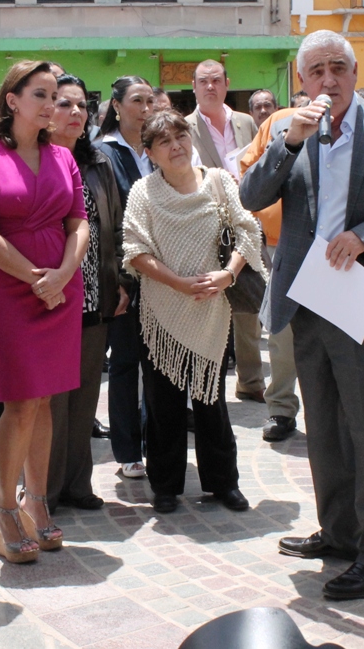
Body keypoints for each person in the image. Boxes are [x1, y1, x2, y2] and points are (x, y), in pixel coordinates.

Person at [241, 30, 364, 600]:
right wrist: (288, 143)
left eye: (338, 68)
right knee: (326, 427)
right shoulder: (288, 130)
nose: (328, 80)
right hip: (308, 298)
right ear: (301, 79)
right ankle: (339, 532)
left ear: (355, 72)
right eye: (317, 71)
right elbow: (250, 198)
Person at [0, 60, 89, 561]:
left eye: (54, 96)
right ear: (12, 100)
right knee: (19, 402)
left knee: (45, 400)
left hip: (61, 288)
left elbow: (79, 223)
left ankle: (37, 501)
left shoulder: (63, 157)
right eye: (41, 94)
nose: (51, 104)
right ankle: (4, 508)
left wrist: (62, 274)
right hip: (6, 290)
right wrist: (36, 278)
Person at [124, 111, 261, 514]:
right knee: (163, 403)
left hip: (212, 311)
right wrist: (177, 283)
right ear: (150, 153)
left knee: (211, 400)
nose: (176, 146)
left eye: (180, 136)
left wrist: (228, 274)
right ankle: (165, 486)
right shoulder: (143, 192)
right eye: (164, 142)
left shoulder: (218, 181)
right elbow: (134, 249)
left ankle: (224, 483)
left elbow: (247, 230)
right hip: (162, 312)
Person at [47, 72, 126, 512]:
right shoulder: (33, 159)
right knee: (49, 401)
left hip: (95, 296)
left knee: (83, 397)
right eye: (64, 104)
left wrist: (121, 282)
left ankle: (77, 484)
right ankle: (43, 490)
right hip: (49, 297)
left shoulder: (99, 162)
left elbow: (115, 227)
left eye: (81, 105)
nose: (75, 112)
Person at [186, 60, 265, 406]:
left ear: (227, 83)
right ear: (194, 87)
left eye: (216, 80)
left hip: (246, 220)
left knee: (249, 305)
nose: (210, 87)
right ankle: (207, 384)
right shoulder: (185, 126)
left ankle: (251, 380)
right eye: (203, 81)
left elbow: (260, 161)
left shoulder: (247, 122)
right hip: (206, 224)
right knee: (210, 307)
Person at [97, 75, 156, 480]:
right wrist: (118, 276)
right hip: (125, 275)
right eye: (137, 100)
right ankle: (128, 449)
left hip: (164, 274)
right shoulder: (104, 153)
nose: (145, 108)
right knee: (125, 363)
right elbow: (106, 222)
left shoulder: (159, 148)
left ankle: (158, 441)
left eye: (150, 100)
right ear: (116, 106)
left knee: (160, 364)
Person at [240, 105, 303, 442]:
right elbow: (250, 172)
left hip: (341, 249)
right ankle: (281, 408)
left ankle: (338, 410)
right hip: (283, 244)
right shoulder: (279, 122)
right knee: (282, 331)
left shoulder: (360, 121)